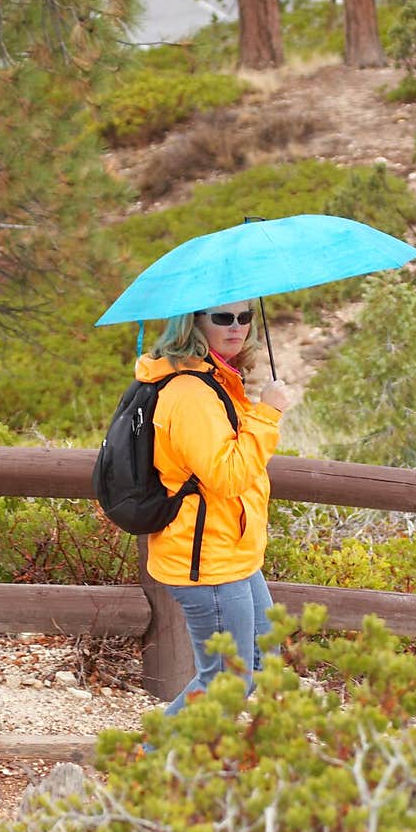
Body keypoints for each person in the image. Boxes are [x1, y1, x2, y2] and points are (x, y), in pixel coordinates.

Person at [136, 299, 292, 719]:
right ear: (192, 322)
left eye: (245, 317)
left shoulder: (217, 380)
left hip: (231, 548)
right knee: (226, 681)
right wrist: (268, 413)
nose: (236, 326)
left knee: (257, 663)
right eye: (222, 317)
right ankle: (153, 771)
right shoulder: (190, 393)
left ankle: (191, 767)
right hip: (207, 559)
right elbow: (226, 476)